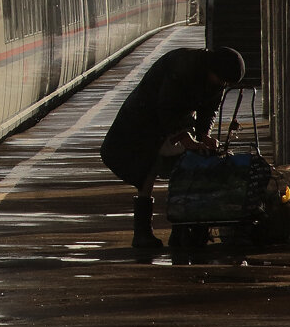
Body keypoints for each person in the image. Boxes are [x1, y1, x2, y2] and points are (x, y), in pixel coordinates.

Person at [100, 46, 246, 249]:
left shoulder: (215, 77)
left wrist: (204, 136)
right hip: (143, 120)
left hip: (167, 121)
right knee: (146, 170)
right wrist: (186, 138)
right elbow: (168, 106)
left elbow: (209, 109)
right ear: (212, 69)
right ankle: (143, 234)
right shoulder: (182, 66)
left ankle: (180, 228)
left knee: (184, 165)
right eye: (221, 80)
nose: (221, 85)